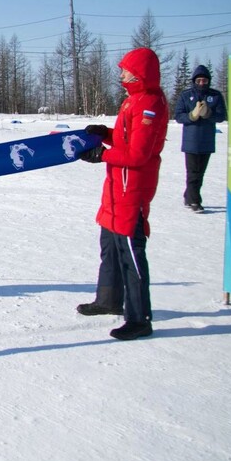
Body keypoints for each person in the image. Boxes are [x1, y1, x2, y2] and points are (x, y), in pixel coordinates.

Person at [76, 47, 169, 341]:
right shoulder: (133, 100)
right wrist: (105, 133)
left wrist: (102, 155)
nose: (121, 74)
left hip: (132, 189)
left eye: (126, 70)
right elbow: (125, 138)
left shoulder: (149, 104)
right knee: (110, 249)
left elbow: (139, 154)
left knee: (131, 255)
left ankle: (139, 318)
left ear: (139, 72)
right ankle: (109, 300)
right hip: (116, 188)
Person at [173, 64, 227, 213]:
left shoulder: (215, 96)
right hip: (191, 140)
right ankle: (195, 201)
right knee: (192, 172)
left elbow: (221, 116)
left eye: (204, 80)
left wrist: (208, 113)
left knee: (200, 172)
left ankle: (188, 196)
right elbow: (178, 116)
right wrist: (191, 116)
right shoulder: (186, 95)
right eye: (199, 81)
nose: (202, 83)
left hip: (207, 140)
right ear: (194, 81)